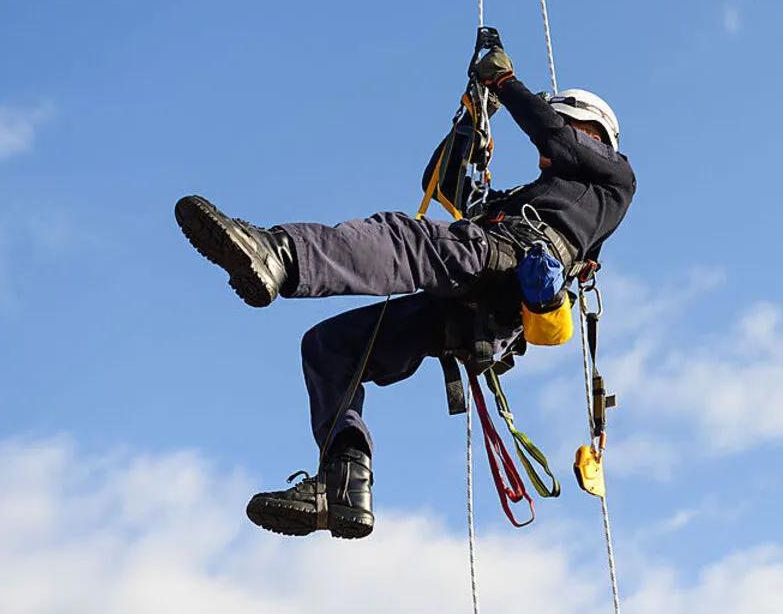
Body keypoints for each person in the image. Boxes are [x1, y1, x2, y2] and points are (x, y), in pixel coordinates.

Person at [173, 42, 636, 540]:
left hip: (503, 267)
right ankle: (343, 484)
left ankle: (280, 255)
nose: (545, 151)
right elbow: (447, 184)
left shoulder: (614, 178)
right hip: (471, 302)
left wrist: (503, 81)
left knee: (404, 239)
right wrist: (472, 120)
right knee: (330, 347)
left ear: (593, 134)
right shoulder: (532, 196)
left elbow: (555, 137)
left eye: (564, 128)